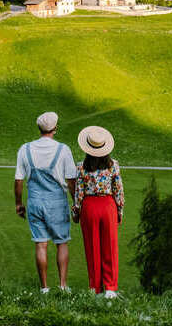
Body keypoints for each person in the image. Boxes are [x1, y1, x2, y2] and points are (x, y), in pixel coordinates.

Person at [14, 111, 77, 292]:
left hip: (35, 200)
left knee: (41, 244)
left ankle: (44, 288)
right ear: (55, 128)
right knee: (61, 242)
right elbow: (71, 180)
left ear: (39, 128)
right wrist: (76, 204)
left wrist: (18, 203)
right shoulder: (63, 149)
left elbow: (18, 180)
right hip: (57, 201)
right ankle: (63, 286)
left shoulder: (25, 149)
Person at [72, 125, 124, 298]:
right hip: (108, 205)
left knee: (92, 247)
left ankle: (95, 287)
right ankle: (110, 287)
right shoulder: (113, 165)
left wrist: (76, 213)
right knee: (110, 246)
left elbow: (79, 192)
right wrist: (119, 211)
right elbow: (118, 190)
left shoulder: (81, 167)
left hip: (89, 207)